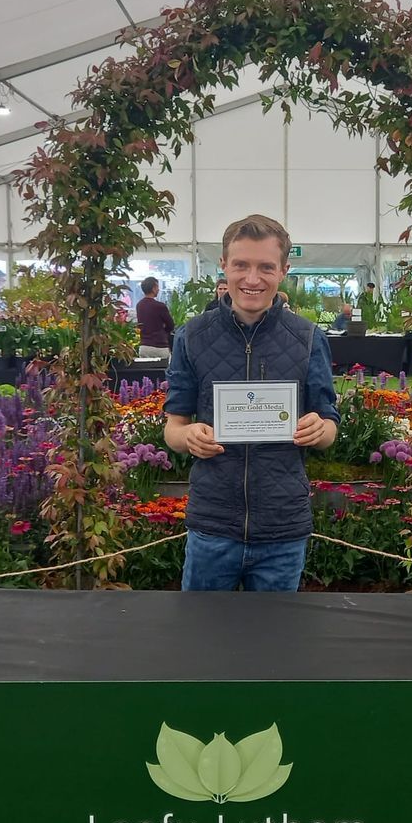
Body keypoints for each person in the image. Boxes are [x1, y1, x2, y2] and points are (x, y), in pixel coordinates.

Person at [164, 213, 339, 591]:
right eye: (240, 265)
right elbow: (173, 426)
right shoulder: (191, 337)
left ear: (284, 270)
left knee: (273, 644)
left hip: (282, 527)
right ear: (223, 266)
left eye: (266, 267)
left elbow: (329, 424)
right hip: (213, 524)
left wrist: (319, 429)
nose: (252, 279)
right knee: (204, 640)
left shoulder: (309, 338)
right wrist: (188, 435)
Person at [135, 276, 174, 359]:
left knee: (146, 371)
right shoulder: (160, 306)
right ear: (153, 288)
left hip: (144, 346)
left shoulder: (139, 305)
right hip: (160, 346)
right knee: (164, 370)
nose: (158, 289)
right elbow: (171, 325)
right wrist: (163, 330)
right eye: (157, 287)